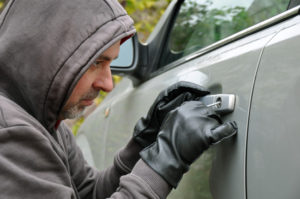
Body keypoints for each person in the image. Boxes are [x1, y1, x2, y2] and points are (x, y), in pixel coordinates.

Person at [0, 0, 237, 198]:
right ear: (48, 56)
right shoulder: (10, 131)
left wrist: (145, 141)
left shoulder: (43, 119)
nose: (108, 83)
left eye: (110, 64)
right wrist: (165, 161)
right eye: (96, 62)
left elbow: (89, 192)